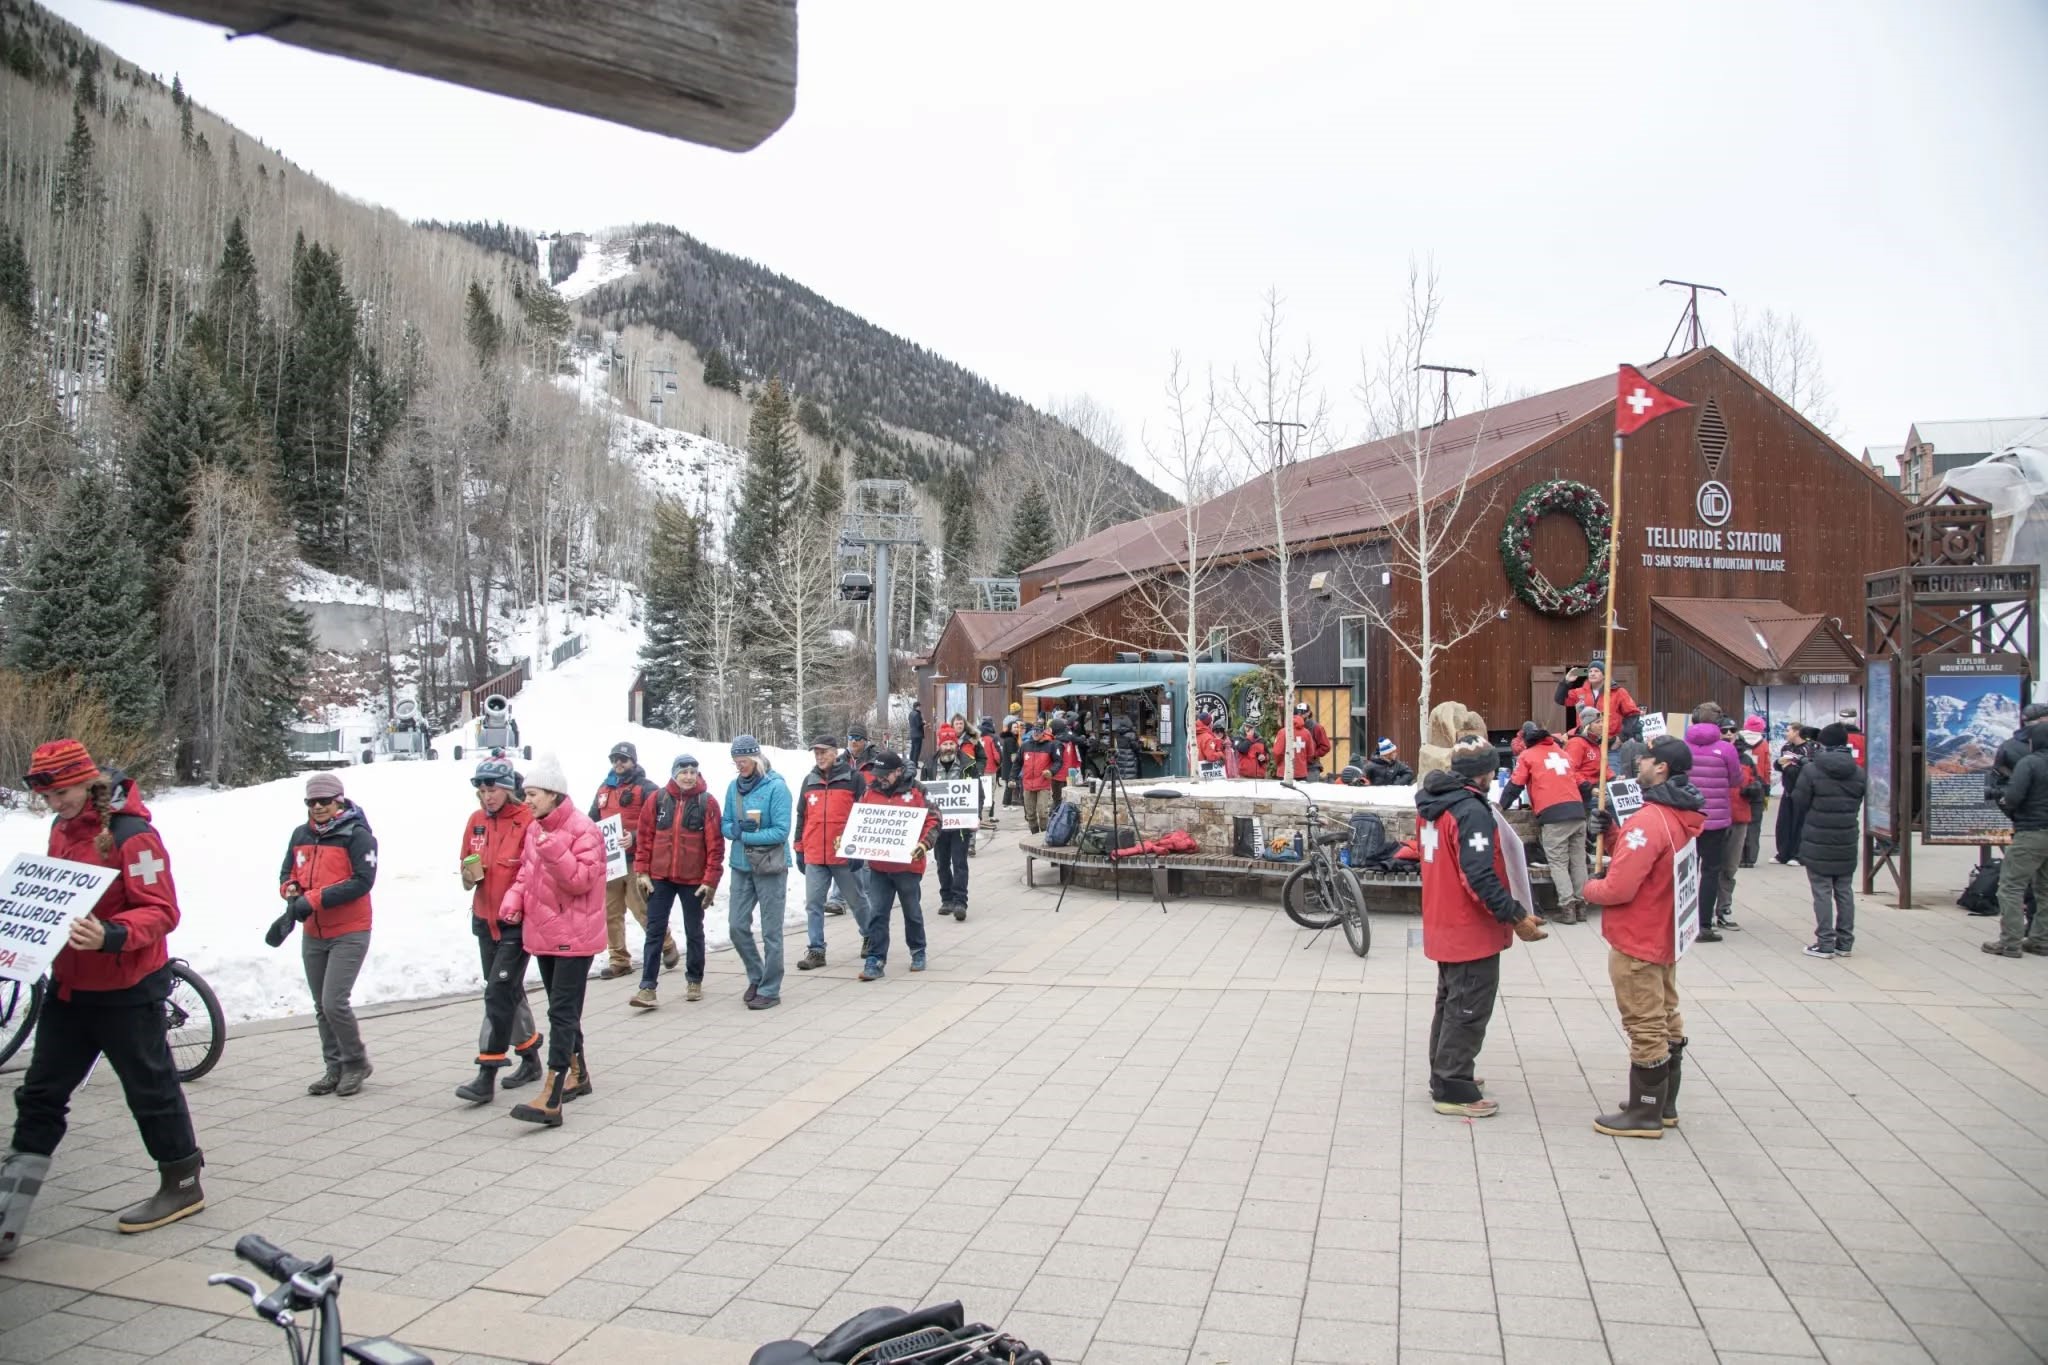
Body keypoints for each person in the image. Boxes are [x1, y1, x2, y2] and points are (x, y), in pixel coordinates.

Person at [0, 741, 205, 1252]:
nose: (54, 804)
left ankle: (182, 1183)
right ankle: (10, 1206)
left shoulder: (134, 836)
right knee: (41, 1093)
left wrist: (111, 934)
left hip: (127, 989)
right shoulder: (61, 828)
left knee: (150, 1090)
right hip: (70, 988)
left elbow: (162, 910)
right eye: (47, 797)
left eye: (61, 793)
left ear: (87, 782)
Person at [1582, 736, 1706, 1139]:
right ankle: (1664, 1103)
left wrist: (1588, 888)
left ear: (1662, 767)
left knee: (1644, 1021)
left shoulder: (1649, 820)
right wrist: (1612, 832)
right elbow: (1649, 858)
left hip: (1639, 935)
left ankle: (1645, 1111)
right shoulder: (1678, 816)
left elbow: (1619, 887)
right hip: (1664, 932)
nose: (1639, 763)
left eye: (1646, 759)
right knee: (1665, 1012)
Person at [1415, 745, 1549, 1118]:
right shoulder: (1471, 811)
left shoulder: (1435, 804)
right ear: (1486, 773)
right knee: (1468, 1008)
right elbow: (1478, 874)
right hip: (1469, 927)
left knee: (1451, 1003)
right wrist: (1515, 915)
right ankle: (1454, 1086)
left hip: (1444, 919)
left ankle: (1444, 1073)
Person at [496, 753, 605, 1127]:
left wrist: (553, 849)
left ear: (554, 794)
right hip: (542, 932)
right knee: (563, 1010)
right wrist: (514, 899)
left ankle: (553, 1092)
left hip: (575, 935)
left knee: (561, 1011)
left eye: (533, 794)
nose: (526, 800)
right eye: (525, 794)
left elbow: (580, 881)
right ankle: (579, 1073)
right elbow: (527, 874)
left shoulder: (583, 830)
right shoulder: (535, 830)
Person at [273, 772, 377, 1096]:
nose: (317, 807)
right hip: (313, 931)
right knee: (321, 1005)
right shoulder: (301, 834)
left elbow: (362, 881)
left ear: (339, 801)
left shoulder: (357, 835)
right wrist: (290, 889)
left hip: (350, 930)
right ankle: (334, 1067)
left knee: (334, 1002)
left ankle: (356, 1062)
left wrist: (314, 899)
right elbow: (287, 872)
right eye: (312, 802)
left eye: (324, 801)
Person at [456, 757, 543, 1102]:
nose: (486, 795)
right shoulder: (475, 821)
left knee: (497, 993)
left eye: (492, 788)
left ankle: (487, 1072)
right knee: (508, 991)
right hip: (484, 918)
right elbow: (465, 860)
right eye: (481, 789)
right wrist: (468, 875)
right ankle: (531, 1057)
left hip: (516, 923)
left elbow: (534, 872)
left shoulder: (527, 820)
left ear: (508, 789)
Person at [631, 754, 724, 1005]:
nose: (688, 777)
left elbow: (715, 846)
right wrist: (642, 872)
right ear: (674, 774)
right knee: (654, 931)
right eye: (684, 772)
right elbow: (644, 838)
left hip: (694, 880)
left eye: (693, 772)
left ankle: (694, 980)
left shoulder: (707, 803)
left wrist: (710, 880)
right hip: (659, 878)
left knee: (694, 931)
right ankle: (647, 987)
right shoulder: (657, 799)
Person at [590, 742, 673, 980]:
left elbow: (661, 822)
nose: (618, 763)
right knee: (610, 912)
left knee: (641, 908)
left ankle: (666, 943)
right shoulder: (603, 789)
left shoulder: (647, 788)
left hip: (637, 859)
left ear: (633, 761)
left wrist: (634, 837)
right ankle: (618, 960)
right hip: (611, 861)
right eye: (614, 759)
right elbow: (592, 819)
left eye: (623, 759)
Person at [855, 752, 940, 981]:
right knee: (877, 913)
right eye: (878, 774)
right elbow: (858, 820)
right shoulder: (869, 792)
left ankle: (918, 950)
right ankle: (875, 959)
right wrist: (847, 840)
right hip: (879, 866)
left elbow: (933, 819)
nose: (880, 778)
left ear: (898, 771)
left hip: (908, 866)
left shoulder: (917, 790)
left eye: (885, 774)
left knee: (912, 911)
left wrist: (924, 843)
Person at [723, 735, 793, 1009]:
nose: (739, 765)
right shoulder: (733, 787)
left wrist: (747, 836)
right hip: (741, 865)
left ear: (756, 758)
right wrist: (734, 829)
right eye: (736, 761)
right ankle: (757, 975)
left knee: (771, 931)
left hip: (770, 866)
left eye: (743, 760)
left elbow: (781, 831)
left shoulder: (776, 787)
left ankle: (770, 988)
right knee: (736, 926)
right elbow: (726, 823)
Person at [1501, 722, 1590, 925]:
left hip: (1553, 815)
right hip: (1577, 812)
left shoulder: (1528, 756)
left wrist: (1501, 805)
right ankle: (1582, 906)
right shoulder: (1562, 753)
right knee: (1578, 861)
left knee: (1558, 862)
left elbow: (1516, 783)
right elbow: (1580, 783)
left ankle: (1567, 908)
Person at [1793, 723, 1867, 958]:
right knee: (1844, 889)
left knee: (1822, 890)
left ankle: (1825, 941)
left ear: (1822, 743)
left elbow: (1799, 801)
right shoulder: (1858, 772)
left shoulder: (1812, 770)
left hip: (1818, 837)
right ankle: (1845, 942)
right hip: (1846, 836)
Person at [794, 735, 866, 972]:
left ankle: (870, 936)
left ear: (835, 753)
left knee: (856, 900)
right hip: (815, 853)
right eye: (816, 753)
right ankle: (816, 950)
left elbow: (864, 814)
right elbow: (802, 816)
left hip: (844, 853)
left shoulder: (853, 779)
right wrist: (799, 848)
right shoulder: (809, 781)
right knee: (814, 903)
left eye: (824, 752)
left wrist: (858, 848)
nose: (820, 757)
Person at [1987, 720, 2048, 960]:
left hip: (2031, 832)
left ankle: (2010, 942)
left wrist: (2004, 799)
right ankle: (2041, 940)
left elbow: (2013, 797)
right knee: (2045, 889)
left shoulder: (2030, 763)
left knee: (2011, 886)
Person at [1683, 706, 1742, 944]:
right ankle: (1704, 925)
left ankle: (1680, 919)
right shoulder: (1726, 749)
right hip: (1716, 819)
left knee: (1685, 869)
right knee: (1710, 871)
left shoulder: (1683, 746)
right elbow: (1736, 779)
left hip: (1687, 817)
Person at [922, 726, 980, 921]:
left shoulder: (968, 764)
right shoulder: (929, 766)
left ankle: (960, 901)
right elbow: (923, 794)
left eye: (951, 743)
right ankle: (946, 899)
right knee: (942, 863)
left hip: (960, 825)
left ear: (956, 744)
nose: (948, 747)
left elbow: (977, 792)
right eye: (945, 743)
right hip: (938, 825)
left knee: (960, 862)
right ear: (939, 745)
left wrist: (976, 815)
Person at [1715, 718, 1765, 932]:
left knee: (1730, 867)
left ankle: (1723, 909)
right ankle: (1704, 912)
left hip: (1738, 818)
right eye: (1724, 730)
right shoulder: (1709, 755)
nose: (1728, 733)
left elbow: (1757, 782)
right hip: (1713, 820)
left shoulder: (1745, 758)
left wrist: (1755, 790)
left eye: (1732, 730)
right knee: (1709, 868)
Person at [1554, 659, 1641, 734]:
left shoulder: (1618, 692)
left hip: (1610, 741)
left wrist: (1622, 737)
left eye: (1596, 671)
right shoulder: (1579, 692)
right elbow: (1560, 699)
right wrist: (1566, 681)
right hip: (1586, 739)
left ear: (1604, 675)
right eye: (1590, 671)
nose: (1592, 674)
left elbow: (1633, 714)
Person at [1773, 723, 1818, 863]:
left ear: (1797, 732)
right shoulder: (1787, 747)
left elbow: (1805, 770)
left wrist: (1788, 767)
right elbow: (1779, 765)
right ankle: (1783, 854)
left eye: (1788, 730)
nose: (1786, 733)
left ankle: (1798, 855)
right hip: (1788, 790)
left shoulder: (1808, 748)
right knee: (1783, 823)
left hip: (1801, 791)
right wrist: (1779, 763)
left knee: (1799, 824)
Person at [1738, 716, 1772, 868]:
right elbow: (1767, 768)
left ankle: (1739, 856)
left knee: (1739, 822)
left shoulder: (1737, 742)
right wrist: (1767, 789)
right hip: (1758, 786)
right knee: (1755, 823)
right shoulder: (1763, 744)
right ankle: (1750, 858)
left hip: (1740, 786)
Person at [1019, 720, 1063, 834]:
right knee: (1030, 814)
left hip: (1043, 783)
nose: (1036, 733)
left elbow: (1058, 761)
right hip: (1028, 784)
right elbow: (1017, 763)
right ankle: (1034, 835)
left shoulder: (1051, 745)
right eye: (1034, 731)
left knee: (1043, 813)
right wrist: (1012, 778)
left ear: (1043, 732)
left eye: (1038, 731)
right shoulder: (1025, 746)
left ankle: (1044, 835)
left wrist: (1051, 771)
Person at [1295, 703, 1332, 779]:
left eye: (1302, 712)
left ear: (1308, 713)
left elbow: (1326, 746)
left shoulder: (1316, 727)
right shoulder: (1292, 727)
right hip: (1296, 766)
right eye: (1297, 713)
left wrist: (1313, 755)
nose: (1299, 715)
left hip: (1311, 768)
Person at [908, 700, 926, 767]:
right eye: (919, 706)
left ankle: (910, 763)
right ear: (917, 707)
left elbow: (913, 724)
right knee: (917, 750)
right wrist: (923, 722)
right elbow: (918, 724)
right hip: (918, 735)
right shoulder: (917, 714)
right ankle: (915, 764)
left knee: (913, 749)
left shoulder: (910, 713)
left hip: (912, 734)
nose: (920, 708)